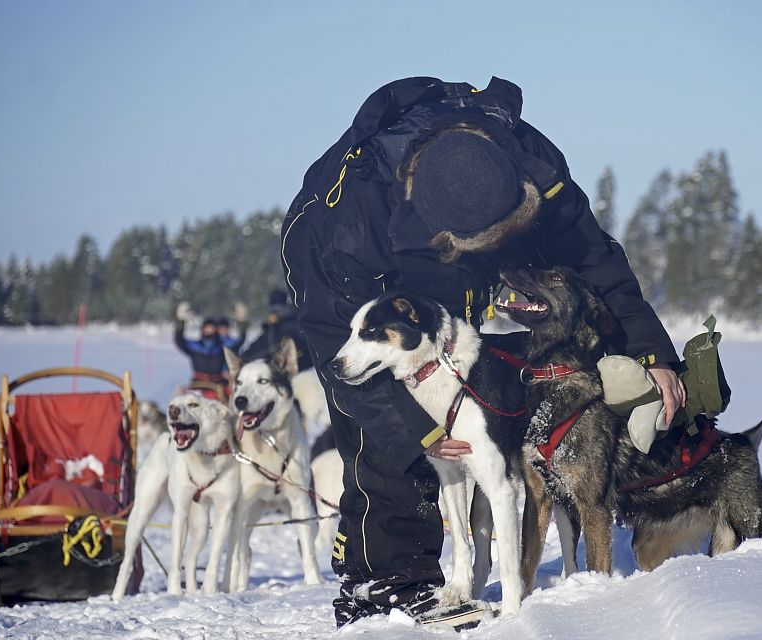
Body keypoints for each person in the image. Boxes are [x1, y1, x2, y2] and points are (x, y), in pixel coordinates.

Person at [279, 77, 686, 629]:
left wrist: (650, 352)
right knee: (392, 427)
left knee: (477, 400)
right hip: (349, 278)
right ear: (446, 239)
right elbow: (340, 346)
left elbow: (594, 261)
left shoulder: (533, 161)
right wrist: (417, 428)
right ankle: (386, 584)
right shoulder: (350, 223)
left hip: (451, 267)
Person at [174, 301, 248, 385]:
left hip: (218, 384)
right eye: (207, 328)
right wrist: (181, 321)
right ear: (202, 329)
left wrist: (242, 322)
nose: (209, 330)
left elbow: (239, 342)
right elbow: (179, 341)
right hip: (197, 382)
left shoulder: (222, 346)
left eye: (211, 328)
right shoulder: (195, 346)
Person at [240, 290, 313, 370]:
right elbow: (256, 349)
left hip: (303, 368)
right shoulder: (274, 328)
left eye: (277, 310)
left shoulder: (288, 327)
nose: (275, 314)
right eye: (273, 311)